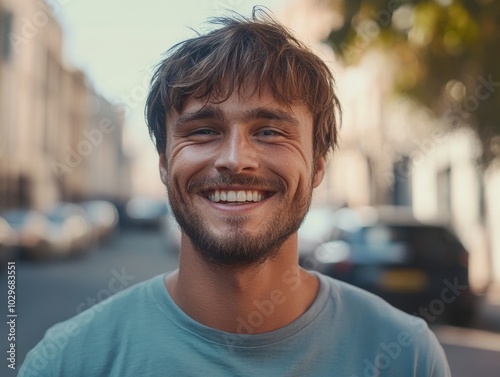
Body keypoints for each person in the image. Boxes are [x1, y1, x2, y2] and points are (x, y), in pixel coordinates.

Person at [19, 9, 451, 377]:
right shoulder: (68, 361)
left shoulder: (406, 355)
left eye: (269, 131)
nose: (234, 159)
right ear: (165, 163)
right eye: (204, 131)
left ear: (318, 164)